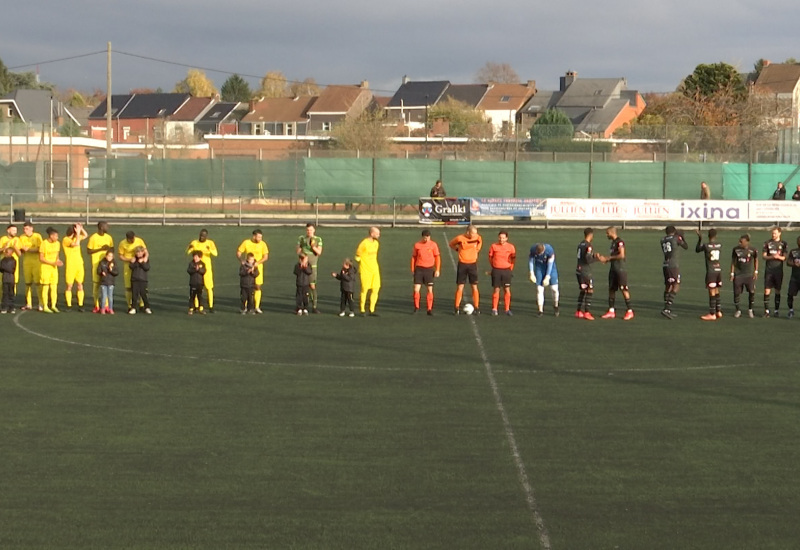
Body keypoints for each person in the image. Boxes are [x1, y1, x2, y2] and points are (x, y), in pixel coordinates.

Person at [602, 226, 634, 320]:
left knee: (623, 289)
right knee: (611, 289)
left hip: (620, 269)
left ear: (612, 233)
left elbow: (621, 255)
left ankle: (630, 311)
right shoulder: (613, 243)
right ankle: (611, 311)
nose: (606, 235)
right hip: (613, 269)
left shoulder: (619, 242)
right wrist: (607, 260)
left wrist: (609, 258)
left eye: (607, 233)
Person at [449, 224, 482, 315]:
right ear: (468, 232)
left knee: (474, 286)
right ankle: (456, 307)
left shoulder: (478, 238)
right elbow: (451, 244)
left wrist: (476, 250)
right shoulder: (460, 238)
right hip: (462, 264)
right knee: (460, 286)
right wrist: (457, 249)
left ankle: (477, 307)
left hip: (473, 264)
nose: (475, 235)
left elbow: (479, 243)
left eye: (476, 233)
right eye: (473, 233)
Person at [236, 229, 269, 313]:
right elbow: (238, 252)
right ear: (254, 236)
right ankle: (246, 307)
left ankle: (257, 306)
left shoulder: (263, 244)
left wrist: (257, 263)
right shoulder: (246, 242)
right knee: (247, 287)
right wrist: (241, 260)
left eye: (261, 237)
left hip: (257, 269)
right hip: (247, 268)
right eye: (258, 237)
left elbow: (265, 257)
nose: (260, 239)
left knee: (257, 286)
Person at [660, 225, 688, 319]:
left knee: (668, 286)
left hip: (665, 264)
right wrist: (682, 237)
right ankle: (666, 309)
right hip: (673, 265)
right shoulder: (676, 238)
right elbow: (685, 246)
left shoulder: (662, 239)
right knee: (676, 286)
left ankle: (667, 308)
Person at [695, 228, 724, 321]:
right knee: (716, 290)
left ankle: (712, 314)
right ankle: (718, 311)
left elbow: (697, 249)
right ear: (716, 236)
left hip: (711, 271)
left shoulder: (706, 245)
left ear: (708, 235)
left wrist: (700, 238)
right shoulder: (719, 245)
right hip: (718, 270)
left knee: (711, 291)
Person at [186, 229, 217, 312]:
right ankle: (196, 306)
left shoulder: (210, 243)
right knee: (196, 287)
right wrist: (190, 248)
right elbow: (188, 252)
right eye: (201, 235)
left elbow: (215, 253)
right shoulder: (195, 242)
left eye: (204, 235)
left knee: (209, 287)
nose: (202, 237)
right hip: (196, 269)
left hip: (206, 268)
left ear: (206, 236)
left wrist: (209, 249)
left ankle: (211, 306)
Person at [575, 228, 603, 320]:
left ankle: (578, 311)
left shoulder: (580, 244)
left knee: (583, 290)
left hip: (578, 270)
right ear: (590, 235)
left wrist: (593, 255)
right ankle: (587, 312)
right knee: (590, 290)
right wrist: (597, 259)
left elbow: (583, 256)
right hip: (585, 271)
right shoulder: (588, 245)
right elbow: (587, 259)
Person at [411, 229, 441, 315]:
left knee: (430, 289)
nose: (426, 239)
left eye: (428, 237)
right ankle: (416, 307)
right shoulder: (417, 245)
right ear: (422, 237)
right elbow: (413, 257)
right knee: (416, 289)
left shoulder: (433, 245)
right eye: (425, 237)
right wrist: (413, 269)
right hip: (419, 269)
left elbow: (437, 257)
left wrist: (437, 269)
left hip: (429, 269)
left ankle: (429, 309)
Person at [86, 221, 114, 313]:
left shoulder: (109, 237)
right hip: (96, 264)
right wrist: (101, 249)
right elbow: (89, 251)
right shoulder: (93, 238)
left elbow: (112, 249)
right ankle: (96, 305)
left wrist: (108, 249)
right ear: (101, 227)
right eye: (106, 226)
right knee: (96, 285)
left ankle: (105, 305)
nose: (108, 228)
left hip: (106, 265)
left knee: (106, 284)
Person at [487, 231, 516, 316]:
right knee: (496, 289)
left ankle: (507, 309)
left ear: (506, 238)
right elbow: (490, 257)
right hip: (496, 270)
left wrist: (510, 268)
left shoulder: (511, 247)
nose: (501, 239)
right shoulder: (494, 246)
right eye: (500, 237)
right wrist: (494, 266)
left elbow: (513, 259)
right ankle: (494, 309)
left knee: (507, 289)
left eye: (503, 238)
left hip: (506, 270)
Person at [761, 227, 788, 317]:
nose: (773, 235)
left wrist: (778, 257)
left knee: (777, 291)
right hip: (769, 270)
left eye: (775, 233)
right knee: (766, 290)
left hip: (778, 271)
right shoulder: (767, 243)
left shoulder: (784, 244)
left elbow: (784, 257)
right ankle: (767, 311)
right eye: (772, 233)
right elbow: (764, 256)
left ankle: (776, 310)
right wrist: (772, 257)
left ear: (779, 233)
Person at [296, 223, 323, 313]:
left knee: (312, 286)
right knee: (301, 286)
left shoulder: (318, 239)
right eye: (308, 230)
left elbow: (319, 252)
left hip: (312, 266)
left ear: (314, 230)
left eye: (311, 230)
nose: (309, 232)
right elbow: (298, 251)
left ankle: (314, 307)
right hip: (302, 266)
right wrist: (302, 251)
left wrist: (313, 246)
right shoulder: (301, 238)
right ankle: (300, 306)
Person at [730, 233, 759, 318]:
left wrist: (756, 271)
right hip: (738, 274)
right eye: (739, 241)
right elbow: (733, 262)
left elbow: (756, 260)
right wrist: (732, 273)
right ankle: (738, 310)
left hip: (749, 275)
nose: (739, 243)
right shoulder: (735, 249)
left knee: (752, 292)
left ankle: (750, 309)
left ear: (747, 242)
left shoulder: (753, 250)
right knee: (736, 293)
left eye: (741, 241)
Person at [118, 230, 147, 310]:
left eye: (133, 239)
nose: (132, 241)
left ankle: (142, 304)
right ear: (127, 239)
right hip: (128, 266)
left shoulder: (139, 240)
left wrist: (145, 258)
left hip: (140, 265)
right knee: (128, 287)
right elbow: (120, 256)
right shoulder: (122, 243)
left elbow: (145, 251)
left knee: (142, 285)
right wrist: (129, 259)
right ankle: (130, 305)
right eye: (131, 240)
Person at [355, 226, 381, 316]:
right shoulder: (364, 243)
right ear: (371, 233)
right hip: (365, 270)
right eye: (377, 233)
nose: (379, 235)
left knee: (376, 289)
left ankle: (372, 310)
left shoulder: (376, 244)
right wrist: (360, 261)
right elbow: (357, 255)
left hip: (375, 270)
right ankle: (362, 310)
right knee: (364, 289)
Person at [62, 223, 88, 311]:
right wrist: (77, 234)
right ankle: (69, 305)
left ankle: (80, 305)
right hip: (71, 265)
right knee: (69, 285)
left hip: (79, 264)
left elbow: (86, 235)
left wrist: (81, 228)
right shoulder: (66, 240)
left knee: (80, 285)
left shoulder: (77, 237)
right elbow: (76, 244)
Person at [529, 242, 559, 317]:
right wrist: (531, 272)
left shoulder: (549, 250)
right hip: (539, 268)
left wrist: (548, 276)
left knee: (554, 288)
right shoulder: (533, 249)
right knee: (539, 289)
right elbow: (531, 260)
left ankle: (556, 305)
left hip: (551, 269)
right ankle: (540, 310)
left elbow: (550, 264)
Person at [18, 221, 43, 311]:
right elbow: (20, 249)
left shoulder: (37, 236)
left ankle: (41, 302)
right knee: (27, 283)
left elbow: (40, 249)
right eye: (24, 229)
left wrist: (29, 249)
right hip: (26, 263)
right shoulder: (21, 237)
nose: (25, 230)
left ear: (32, 228)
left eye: (27, 229)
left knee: (38, 283)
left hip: (36, 262)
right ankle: (28, 303)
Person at [38, 227, 63, 313]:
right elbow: (41, 258)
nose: (57, 238)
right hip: (45, 268)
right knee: (45, 287)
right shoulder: (44, 243)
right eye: (56, 236)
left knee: (54, 287)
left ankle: (53, 305)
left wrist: (58, 261)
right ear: (51, 236)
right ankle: (45, 305)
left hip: (54, 269)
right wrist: (52, 263)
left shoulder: (57, 244)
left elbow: (57, 256)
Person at [0, 225, 20, 307]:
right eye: (13, 230)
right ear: (8, 230)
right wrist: (4, 247)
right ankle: (3, 302)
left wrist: (15, 247)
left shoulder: (17, 240)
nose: (15, 232)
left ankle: (11, 304)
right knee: (3, 284)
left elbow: (19, 254)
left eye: (16, 230)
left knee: (13, 284)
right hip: (4, 264)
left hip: (13, 265)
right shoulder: (3, 239)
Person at [129, 246, 152, 314]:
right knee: (134, 295)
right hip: (134, 279)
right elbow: (131, 267)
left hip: (143, 279)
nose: (139, 253)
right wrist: (135, 262)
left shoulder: (145, 259)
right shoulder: (134, 259)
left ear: (143, 252)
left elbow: (147, 268)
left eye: (140, 252)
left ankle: (147, 307)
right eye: (137, 252)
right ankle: (133, 308)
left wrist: (142, 263)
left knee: (143, 294)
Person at [97, 250, 118, 314]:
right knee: (104, 296)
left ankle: (110, 309)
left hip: (111, 282)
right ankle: (102, 309)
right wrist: (101, 273)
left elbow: (116, 272)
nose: (110, 257)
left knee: (110, 297)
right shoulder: (102, 262)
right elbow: (98, 271)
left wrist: (111, 270)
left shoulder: (114, 263)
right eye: (109, 256)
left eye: (111, 256)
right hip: (103, 282)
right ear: (106, 256)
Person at [187, 250, 207, 315]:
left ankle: (201, 308)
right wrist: (195, 269)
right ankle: (191, 309)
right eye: (194, 257)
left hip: (200, 283)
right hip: (193, 283)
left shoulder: (202, 264)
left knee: (200, 296)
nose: (195, 258)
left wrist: (199, 269)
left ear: (200, 257)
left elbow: (203, 271)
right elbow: (189, 271)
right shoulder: (191, 263)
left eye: (197, 257)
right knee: (192, 296)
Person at [785, 237, 800, 318]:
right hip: (794, 277)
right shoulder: (793, 251)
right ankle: (791, 310)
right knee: (790, 294)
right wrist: (794, 264)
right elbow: (788, 262)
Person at [0, 247, 17, 313]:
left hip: (11, 279)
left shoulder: (13, 260)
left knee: (11, 293)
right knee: (5, 293)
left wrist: (4, 268)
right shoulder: (3, 260)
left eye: (7, 252)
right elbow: (1, 268)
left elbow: (11, 269)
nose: (5, 253)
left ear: (11, 253)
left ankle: (11, 307)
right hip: (5, 279)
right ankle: (4, 307)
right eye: (5, 252)